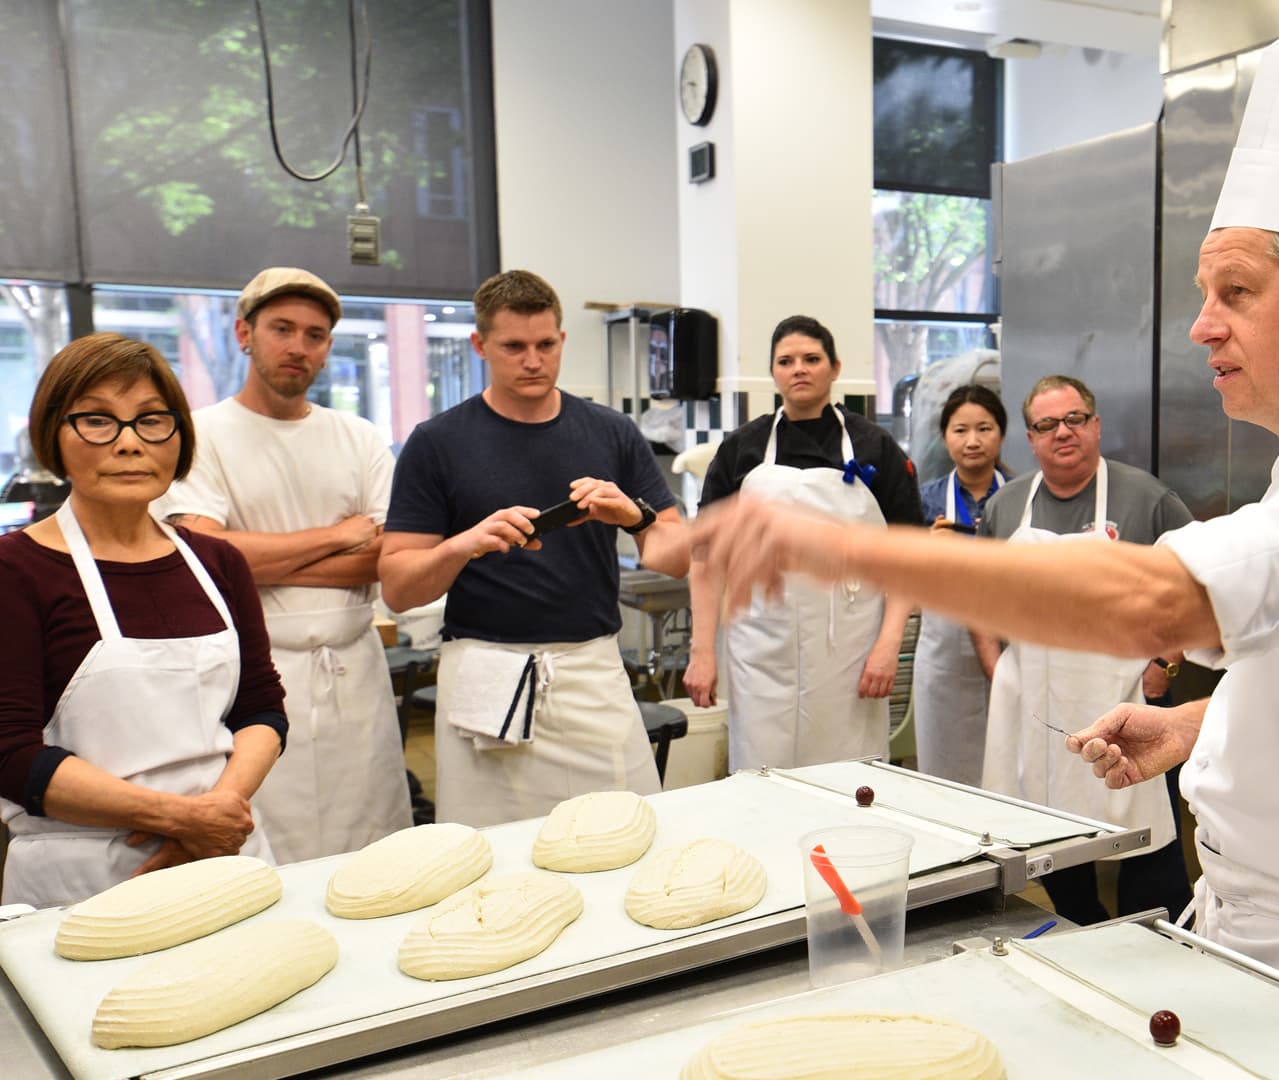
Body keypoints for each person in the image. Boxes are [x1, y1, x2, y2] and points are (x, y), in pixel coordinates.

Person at [689, 18, 1279, 1047]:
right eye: (1206, 293)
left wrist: (838, 547)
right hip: (1276, 945)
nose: (1203, 324)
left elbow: (1155, 601)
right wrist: (1197, 729)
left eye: (1238, 293)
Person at [378, 270, 689, 828]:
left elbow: (678, 556)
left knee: (628, 833)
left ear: (562, 341)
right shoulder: (437, 442)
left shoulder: (611, 433)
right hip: (486, 671)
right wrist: (465, 545)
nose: (533, 360)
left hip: (591, 670)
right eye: (513, 347)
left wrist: (634, 516)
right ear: (480, 346)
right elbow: (399, 589)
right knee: (494, 850)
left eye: (546, 345)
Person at [0, 334, 286, 906]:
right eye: (97, 422)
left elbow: (261, 709)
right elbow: (10, 754)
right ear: (52, 437)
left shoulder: (217, 561)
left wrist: (216, 818)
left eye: (152, 420)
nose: (130, 444)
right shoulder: (16, 570)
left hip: (225, 859)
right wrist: (181, 819)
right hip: (84, 880)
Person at [156, 268, 410, 863]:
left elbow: (385, 558)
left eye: (315, 335)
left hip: (355, 670)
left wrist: (249, 554)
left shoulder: (359, 437)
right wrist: (339, 536)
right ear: (245, 333)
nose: (298, 346)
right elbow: (201, 557)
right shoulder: (202, 434)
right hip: (252, 676)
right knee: (268, 853)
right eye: (282, 329)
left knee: (371, 848)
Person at [967, 375, 1194, 927]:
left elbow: (1197, 587)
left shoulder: (1148, 499)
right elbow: (978, 592)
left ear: (1094, 425)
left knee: (1147, 847)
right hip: (1040, 705)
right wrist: (997, 665)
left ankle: (1166, 948)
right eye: (1047, 425)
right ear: (1030, 437)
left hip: (1126, 699)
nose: (1062, 433)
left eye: (1074, 419)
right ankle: (1082, 931)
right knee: (1052, 837)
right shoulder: (1006, 506)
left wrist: (1164, 664)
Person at [683, 316, 923, 772]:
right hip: (759, 648)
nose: (799, 369)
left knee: (849, 773)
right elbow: (706, 558)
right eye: (786, 361)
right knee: (761, 772)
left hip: (851, 651)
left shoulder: (875, 446)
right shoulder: (742, 449)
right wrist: (701, 653)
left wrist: (888, 645)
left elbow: (909, 558)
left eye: (811, 359)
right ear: (773, 372)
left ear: (834, 368)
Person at [909, 384, 1010, 784]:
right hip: (943, 658)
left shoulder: (1024, 495)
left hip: (1010, 645)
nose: (972, 441)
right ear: (945, 437)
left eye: (984, 429)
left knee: (1009, 766)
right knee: (943, 771)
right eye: (960, 430)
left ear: (1001, 434)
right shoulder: (924, 501)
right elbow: (903, 584)